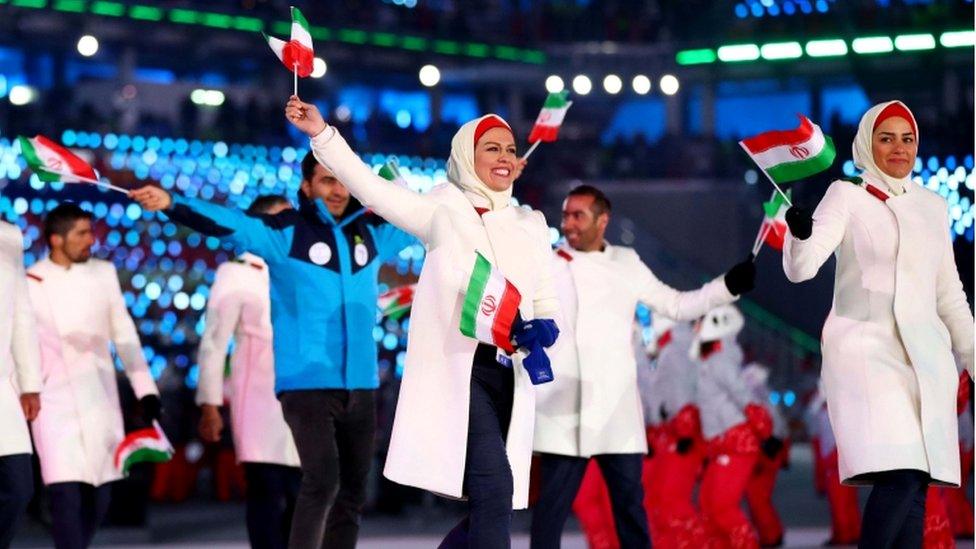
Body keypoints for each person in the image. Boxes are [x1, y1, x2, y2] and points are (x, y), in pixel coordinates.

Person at [285, 96, 560, 547]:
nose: (505, 157)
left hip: (508, 373)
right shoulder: (441, 209)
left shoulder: (530, 224)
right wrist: (322, 134)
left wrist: (546, 326)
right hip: (460, 374)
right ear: (466, 156)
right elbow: (371, 188)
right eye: (491, 148)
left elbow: (545, 295)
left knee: (494, 499)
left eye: (510, 149)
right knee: (495, 490)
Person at [130, 151, 416, 549]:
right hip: (305, 384)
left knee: (352, 491)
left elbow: (424, 218)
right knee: (321, 480)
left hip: (360, 383)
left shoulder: (369, 233)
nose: (336, 190)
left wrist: (482, 188)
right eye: (326, 181)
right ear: (306, 187)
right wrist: (173, 204)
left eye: (343, 181)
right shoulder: (286, 233)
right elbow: (232, 224)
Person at [782, 100, 974, 548]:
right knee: (902, 474)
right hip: (866, 352)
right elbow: (802, 269)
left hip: (924, 361)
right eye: (886, 138)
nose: (899, 148)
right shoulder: (846, 196)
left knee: (915, 485)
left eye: (907, 139)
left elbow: (949, 295)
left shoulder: (933, 207)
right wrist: (800, 232)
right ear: (867, 143)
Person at [531, 184, 755, 548]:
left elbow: (677, 305)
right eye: (565, 215)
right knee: (550, 513)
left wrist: (726, 286)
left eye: (578, 215)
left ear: (603, 220)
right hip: (565, 407)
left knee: (631, 510)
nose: (568, 223)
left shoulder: (626, 262)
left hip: (617, 408)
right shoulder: (548, 263)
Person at [27, 204, 161, 549]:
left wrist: (146, 390)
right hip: (53, 402)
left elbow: (124, 332)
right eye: (82, 234)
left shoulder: (103, 273)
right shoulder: (31, 281)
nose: (91, 240)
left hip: (100, 400)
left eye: (91, 232)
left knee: (100, 498)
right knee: (65, 495)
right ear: (56, 239)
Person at [195, 194, 301, 549]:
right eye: (284, 217)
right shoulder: (237, 272)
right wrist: (209, 403)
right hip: (257, 402)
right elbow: (214, 341)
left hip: (304, 399)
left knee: (303, 496)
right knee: (267, 495)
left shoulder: (302, 269)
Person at [694, 305, 771, 549]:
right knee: (708, 506)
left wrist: (764, 430)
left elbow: (743, 395)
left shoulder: (720, 360)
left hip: (735, 441)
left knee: (722, 507)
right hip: (721, 441)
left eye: (698, 322)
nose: (694, 328)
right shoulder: (708, 360)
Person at [0, 220, 41, 548]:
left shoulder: (9, 236)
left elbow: (22, 312)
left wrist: (30, 383)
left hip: (3, 386)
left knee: (18, 487)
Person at [741, 362, 789, 547]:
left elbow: (772, 429)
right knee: (758, 498)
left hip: (766, 453)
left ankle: (772, 535)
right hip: (767, 451)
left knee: (758, 497)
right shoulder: (765, 397)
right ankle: (769, 534)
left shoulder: (759, 400)